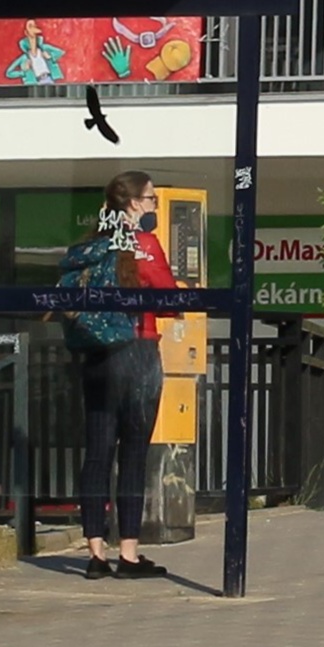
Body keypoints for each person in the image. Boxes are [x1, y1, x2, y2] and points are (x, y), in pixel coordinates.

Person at [60, 171, 181, 579]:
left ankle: (96, 554)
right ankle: (128, 553)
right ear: (131, 203)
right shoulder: (145, 245)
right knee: (132, 454)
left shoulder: (91, 245)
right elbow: (168, 299)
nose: (153, 206)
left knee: (96, 454)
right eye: (150, 199)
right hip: (137, 350)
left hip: (95, 355)